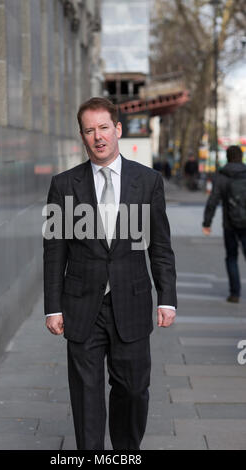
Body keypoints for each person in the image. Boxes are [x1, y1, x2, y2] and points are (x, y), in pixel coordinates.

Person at [43, 97, 177, 450]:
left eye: (104, 128)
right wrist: (52, 306)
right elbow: (54, 250)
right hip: (81, 306)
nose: (98, 136)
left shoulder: (148, 181)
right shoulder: (63, 185)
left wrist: (167, 298)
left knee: (133, 391)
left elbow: (159, 245)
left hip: (131, 303)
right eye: (90, 130)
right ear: (82, 137)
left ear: (118, 130)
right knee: (86, 398)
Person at [202, 145, 246, 303]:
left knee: (232, 258)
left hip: (230, 224)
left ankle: (235, 293)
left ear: (227, 157)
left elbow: (213, 200)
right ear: (241, 157)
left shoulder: (222, 176)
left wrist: (207, 222)